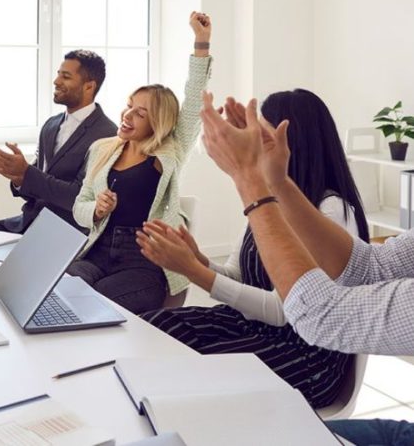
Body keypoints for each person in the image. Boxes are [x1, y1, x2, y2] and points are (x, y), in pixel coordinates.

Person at [198, 90, 414, 444]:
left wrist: (251, 181)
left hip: (307, 354)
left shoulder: (333, 206)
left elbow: (322, 316)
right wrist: (275, 182)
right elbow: (372, 267)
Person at [136, 89, 369, 408]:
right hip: (255, 326)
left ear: (293, 141)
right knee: (156, 328)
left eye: (262, 133)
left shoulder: (331, 211)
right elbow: (239, 275)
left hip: (304, 352)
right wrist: (198, 261)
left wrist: (195, 272)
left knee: (185, 372)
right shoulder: (268, 196)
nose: (253, 142)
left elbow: (283, 312)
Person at [66, 12, 212, 314]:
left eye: (140, 113)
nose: (127, 115)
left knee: (97, 307)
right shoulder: (102, 150)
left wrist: (201, 42)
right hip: (95, 253)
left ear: (157, 122)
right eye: (129, 106)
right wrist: (96, 209)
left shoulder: (170, 151)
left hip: (143, 258)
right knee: (64, 294)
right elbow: (79, 206)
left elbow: (194, 98)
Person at [0, 50, 116, 233]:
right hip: (29, 221)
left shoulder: (107, 134)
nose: (56, 82)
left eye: (66, 77)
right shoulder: (51, 125)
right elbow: (35, 187)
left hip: (64, 233)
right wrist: (17, 177)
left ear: (89, 87)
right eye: (58, 75)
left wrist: (26, 173)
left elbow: (80, 198)